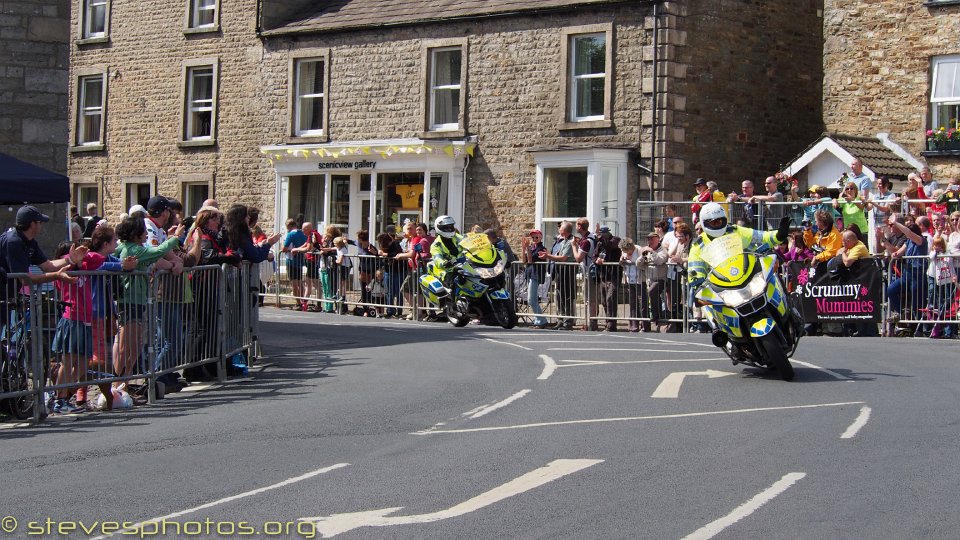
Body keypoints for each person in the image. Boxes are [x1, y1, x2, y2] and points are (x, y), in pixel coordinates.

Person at [686, 203, 791, 334]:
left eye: (719, 221)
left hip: (746, 275)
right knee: (709, 305)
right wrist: (696, 282)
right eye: (712, 223)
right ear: (704, 223)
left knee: (771, 276)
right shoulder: (698, 245)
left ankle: (789, 309)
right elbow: (694, 268)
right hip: (721, 285)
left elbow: (759, 237)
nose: (717, 225)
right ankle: (723, 332)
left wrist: (779, 235)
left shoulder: (734, 230)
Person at [885, 214, 928, 325]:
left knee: (916, 301)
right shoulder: (908, 242)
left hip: (917, 274)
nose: (907, 235)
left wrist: (896, 223)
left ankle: (918, 325)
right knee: (891, 290)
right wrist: (895, 254)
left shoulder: (921, 240)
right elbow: (899, 252)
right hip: (907, 274)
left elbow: (908, 233)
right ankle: (900, 313)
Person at [540, 221, 576, 330]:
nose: (558, 229)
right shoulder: (563, 241)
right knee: (560, 296)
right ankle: (560, 320)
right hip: (560, 271)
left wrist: (548, 256)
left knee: (567, 297)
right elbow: (558, 255)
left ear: (564, 230)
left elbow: (563, 258)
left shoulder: (571, 241)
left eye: (560, 228)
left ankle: (567, 321)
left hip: (567, 271)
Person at [925, 236, 955, 338]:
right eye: (936, 244)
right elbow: (932, 257)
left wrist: (943, 252)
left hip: (945, 278)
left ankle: (947, 330)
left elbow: (949, 261)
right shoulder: (933, 252)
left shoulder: (947, 253)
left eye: (939, 245)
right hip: (934, 276)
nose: (937, 246)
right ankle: (931, 304)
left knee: (946, 300)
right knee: (934, 292)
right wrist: (936, 251)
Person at [638, 230, 669, 332]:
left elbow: (660, 260)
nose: (649, 241)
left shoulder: (662, 250)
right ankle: (646, 325)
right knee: (645, 300)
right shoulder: (646, 251)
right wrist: (643, 256)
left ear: (657, 240)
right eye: (648, 239)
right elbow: (638, 264)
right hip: (648, 280)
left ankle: (656, 315)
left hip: (660, 279)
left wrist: (652, 252)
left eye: (652, 239)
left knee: (652, 291)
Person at [573, 218, 600, 331]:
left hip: (589, 272)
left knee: (590, 298)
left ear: (579, 226)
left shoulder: (586, 242)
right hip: (591, 271)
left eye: (576, 225)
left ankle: (592, 322)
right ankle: (591, 321)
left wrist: (574, 246)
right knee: (590, 297)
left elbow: (578, 258)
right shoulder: (591, 237)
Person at [666, 222, 693, 333]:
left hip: (692, 276)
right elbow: (670, 253)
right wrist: (677, 242)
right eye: (677, 237)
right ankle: (686, 324)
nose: (679, 239)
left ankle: (694, 324)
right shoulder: (680, 243)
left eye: (681, 237)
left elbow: (695, 257)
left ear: (687, 236)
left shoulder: (694, 244)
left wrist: (682, 260)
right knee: (685, 301)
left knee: (691, 301)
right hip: (682, 276)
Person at [428, 215, 464, 296]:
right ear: (439, 228)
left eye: (451, 227)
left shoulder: (458, 237)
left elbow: (469, 243)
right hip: (448, 270)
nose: (450, 229)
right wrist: (444, 263)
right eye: (447, 227)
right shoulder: (436, 245)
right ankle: (454, 304)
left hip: (463, 266)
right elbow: (437, 258)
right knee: (454, 285)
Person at [595, 226, 622, 331]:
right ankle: (608, 320)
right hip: (603, 275)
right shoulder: (600, 243)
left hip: (614, 275)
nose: (600, 236)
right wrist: (596, 260)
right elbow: (595, 255)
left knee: (610, 298)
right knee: (604, 300)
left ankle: (612, 324)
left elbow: (610, 246)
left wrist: (602, 240)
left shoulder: (615, 240)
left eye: (602, 234)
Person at [521, 229, 549, 328]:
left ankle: (541, 320)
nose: (534, 239)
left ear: (541, 237)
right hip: (529, 274)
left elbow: (530, 260)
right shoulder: (533, 247)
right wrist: (524, 248)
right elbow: (524, 261)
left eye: (536, 237)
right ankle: (539, 319)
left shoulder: (541, 248)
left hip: (535, 275)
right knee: (532, 299)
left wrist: (528, 249)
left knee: (531, 300)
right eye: (533, 237)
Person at [281, 219, 308, 311]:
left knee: (294, 283)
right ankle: (303, 301)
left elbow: (284, 249)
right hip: (300, 260)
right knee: (300, 282)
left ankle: (298, 302)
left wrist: (288, 248)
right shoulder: (302, 233)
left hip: (291, 260)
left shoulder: (291, 234)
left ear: (289, 226)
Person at [619, 237, 641, 332]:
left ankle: (643, 324)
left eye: (628, 251)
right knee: (632, 302)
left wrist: (631, 261)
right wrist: (622, 261)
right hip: (629, 279)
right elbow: (621, 263)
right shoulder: (623, 252)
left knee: (640, 302)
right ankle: (633, 324)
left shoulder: (639, 250)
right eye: (625, 251)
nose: (627, 253)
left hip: (640, 280)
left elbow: (642, 262)